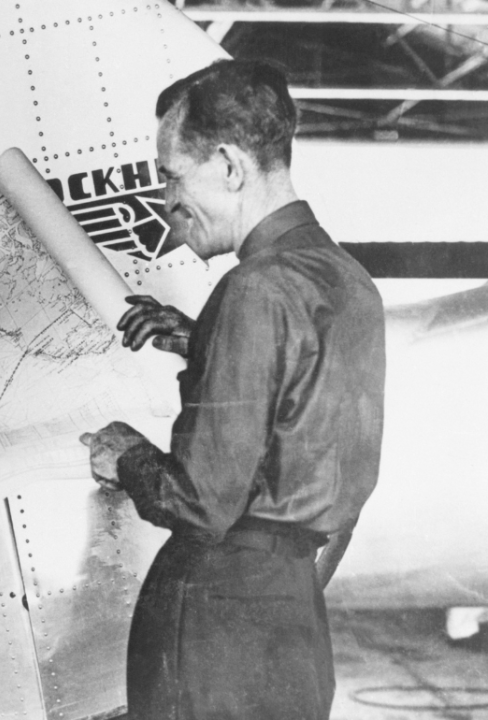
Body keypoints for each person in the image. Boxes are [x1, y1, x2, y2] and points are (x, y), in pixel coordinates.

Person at [81, 60, 385, 719]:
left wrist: (124, 451)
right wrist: (201, 340)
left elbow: (197, 504)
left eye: (169, 175)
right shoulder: (349, 281)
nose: (165, 201)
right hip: (295, 618)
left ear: (227, 165)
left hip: (217, 622)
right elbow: (305, 398)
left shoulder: (253, 289)